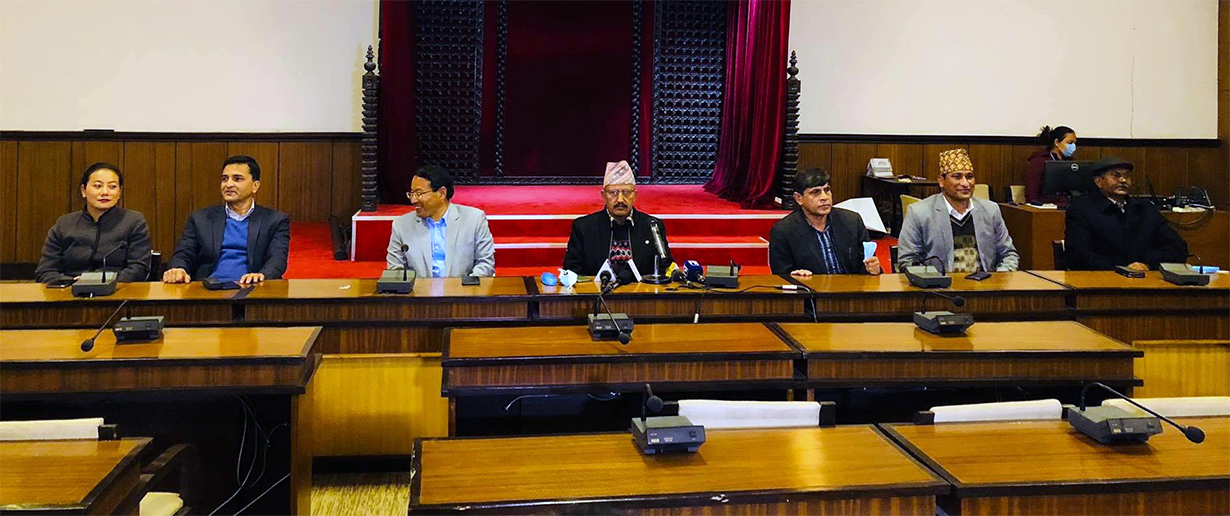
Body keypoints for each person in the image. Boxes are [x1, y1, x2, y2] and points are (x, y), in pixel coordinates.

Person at [163, 155, 290, 285]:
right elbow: (184, 253)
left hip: (252, 288)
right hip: (208, 288)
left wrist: (262, 275)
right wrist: (178, 269)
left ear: (255, 186)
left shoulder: (275, 220)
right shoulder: (200, 218)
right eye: (224, 179)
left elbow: (277, 260)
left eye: (237, 179)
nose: (228, 184)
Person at [897, 148, 1020, 273]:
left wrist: (1000, 277)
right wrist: (932, 280)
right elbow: (907, 261)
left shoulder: (990, 210)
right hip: (939, 284)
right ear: (941, 181)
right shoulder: (919, 212)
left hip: (985, 283)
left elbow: (1008, 254)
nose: (965, 183)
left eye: (969, 177)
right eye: (957, 177)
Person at [1063, 156, 1188, 271]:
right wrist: (1121, 270)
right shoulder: (1082, 209)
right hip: (1103, 279)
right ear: (1098, 181)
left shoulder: (1145, 209)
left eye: (1127, 176)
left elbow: (1178, 248)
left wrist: (1147, 263)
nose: (1123, 180)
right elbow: (1078, 255)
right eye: (1116, 176)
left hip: (1145, 279)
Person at [35, 162, 151, 283]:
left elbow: (138, 269)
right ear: (83, 190)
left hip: (117, 289)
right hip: (70, 289)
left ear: (119, 192)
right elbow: (45, 271)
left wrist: (97, 281)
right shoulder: (64, 224)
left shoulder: (133, 221)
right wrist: (73, 283)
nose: (105, 192)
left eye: (112, 187)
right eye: (98, 186)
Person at [563, 160, 673, 277]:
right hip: (597, 288)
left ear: (635, 196)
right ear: (603, 195)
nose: (620, 199)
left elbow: (665, 267)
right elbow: (571, 272)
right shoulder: (584, 227)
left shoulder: (652, 226)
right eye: (613, 193)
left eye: (626, 192)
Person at [385, 165, 495, 277]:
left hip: (462, 287)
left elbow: (485, 264)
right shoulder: (401, 225)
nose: (413, 200)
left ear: (441, 193)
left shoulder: (474, 219)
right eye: (411, 193)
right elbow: (395, 271)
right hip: (419, 288)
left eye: (419, 194)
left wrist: (464, 286)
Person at [769, 167, 881, 276]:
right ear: (799, 198)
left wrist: (874, 269)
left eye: (827, 190)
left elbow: (866, 266)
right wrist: (795, 277)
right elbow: (781, 275)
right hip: (811, 288)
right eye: (815, 192)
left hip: (850, 287)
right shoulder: (783, 231)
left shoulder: (852, 221)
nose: (824, 197)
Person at [1024, 125, 1077, 204]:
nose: (1073, 146)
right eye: (1070, 143)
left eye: (1074, 143)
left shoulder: (1070, 162)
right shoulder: (1039, 162)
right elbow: (1032, 195)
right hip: (1045, 205)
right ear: (1057, 142)